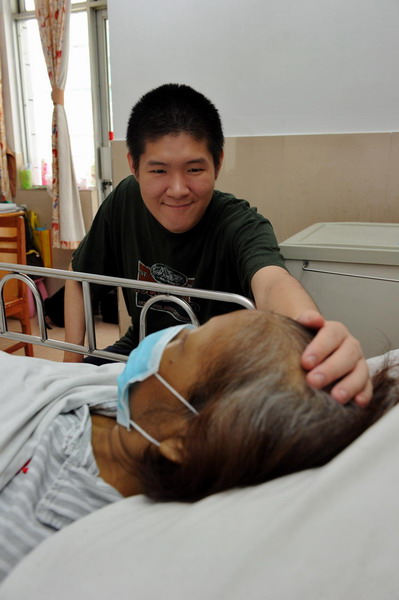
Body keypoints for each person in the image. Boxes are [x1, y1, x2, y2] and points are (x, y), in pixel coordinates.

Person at [0, 310, 396, 580]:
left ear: (181, 442)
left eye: (181, 345)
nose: (167, 337)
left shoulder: (40, 516)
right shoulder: (130, 408)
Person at [64, 83, 371, 406]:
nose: (178, 189)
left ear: (218, 163)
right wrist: (71, 365)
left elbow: (272, 283)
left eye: (194, 169)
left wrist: (312, 334)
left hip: (218, 374)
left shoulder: (238, 224)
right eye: (159, 171)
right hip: (140, 353)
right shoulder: (124, 200)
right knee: (66, 399)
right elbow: (78, 277)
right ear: (134, 166)